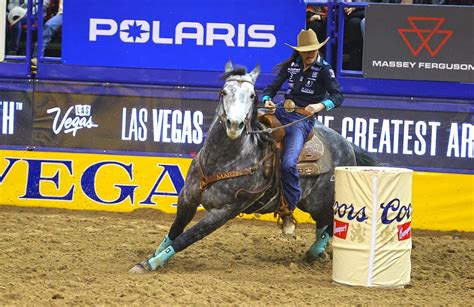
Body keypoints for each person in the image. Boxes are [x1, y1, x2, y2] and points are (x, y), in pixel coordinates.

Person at [262, 29, 343, 235]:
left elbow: (338, 95)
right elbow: (270, 88)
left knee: (289, 162)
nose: (309, 54)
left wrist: (320, 105)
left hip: (302, 120)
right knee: (252, 132)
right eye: (305, 50)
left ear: (317, 49)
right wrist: (267, 101)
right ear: (299, 51)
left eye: (312, 50)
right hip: (281, 110)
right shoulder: (292, 65)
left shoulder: (324, 69)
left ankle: (288, 208)